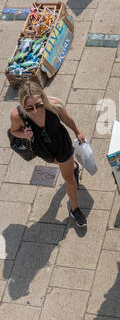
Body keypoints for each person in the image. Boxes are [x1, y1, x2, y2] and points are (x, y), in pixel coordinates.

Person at [10, 81, 87, 228]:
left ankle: (75, 209)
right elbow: (14, 131)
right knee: (60, 163)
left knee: (69, 178)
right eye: (29, 108)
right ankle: (73, 166)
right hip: (42, 149)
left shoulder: (54, 105)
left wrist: (77, 132)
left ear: (43, 98)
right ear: (22, 105)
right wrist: (24, 134)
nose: (35, 110)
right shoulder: (17, 116)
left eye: (39, 105)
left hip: (61, 144)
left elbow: (66, 119)